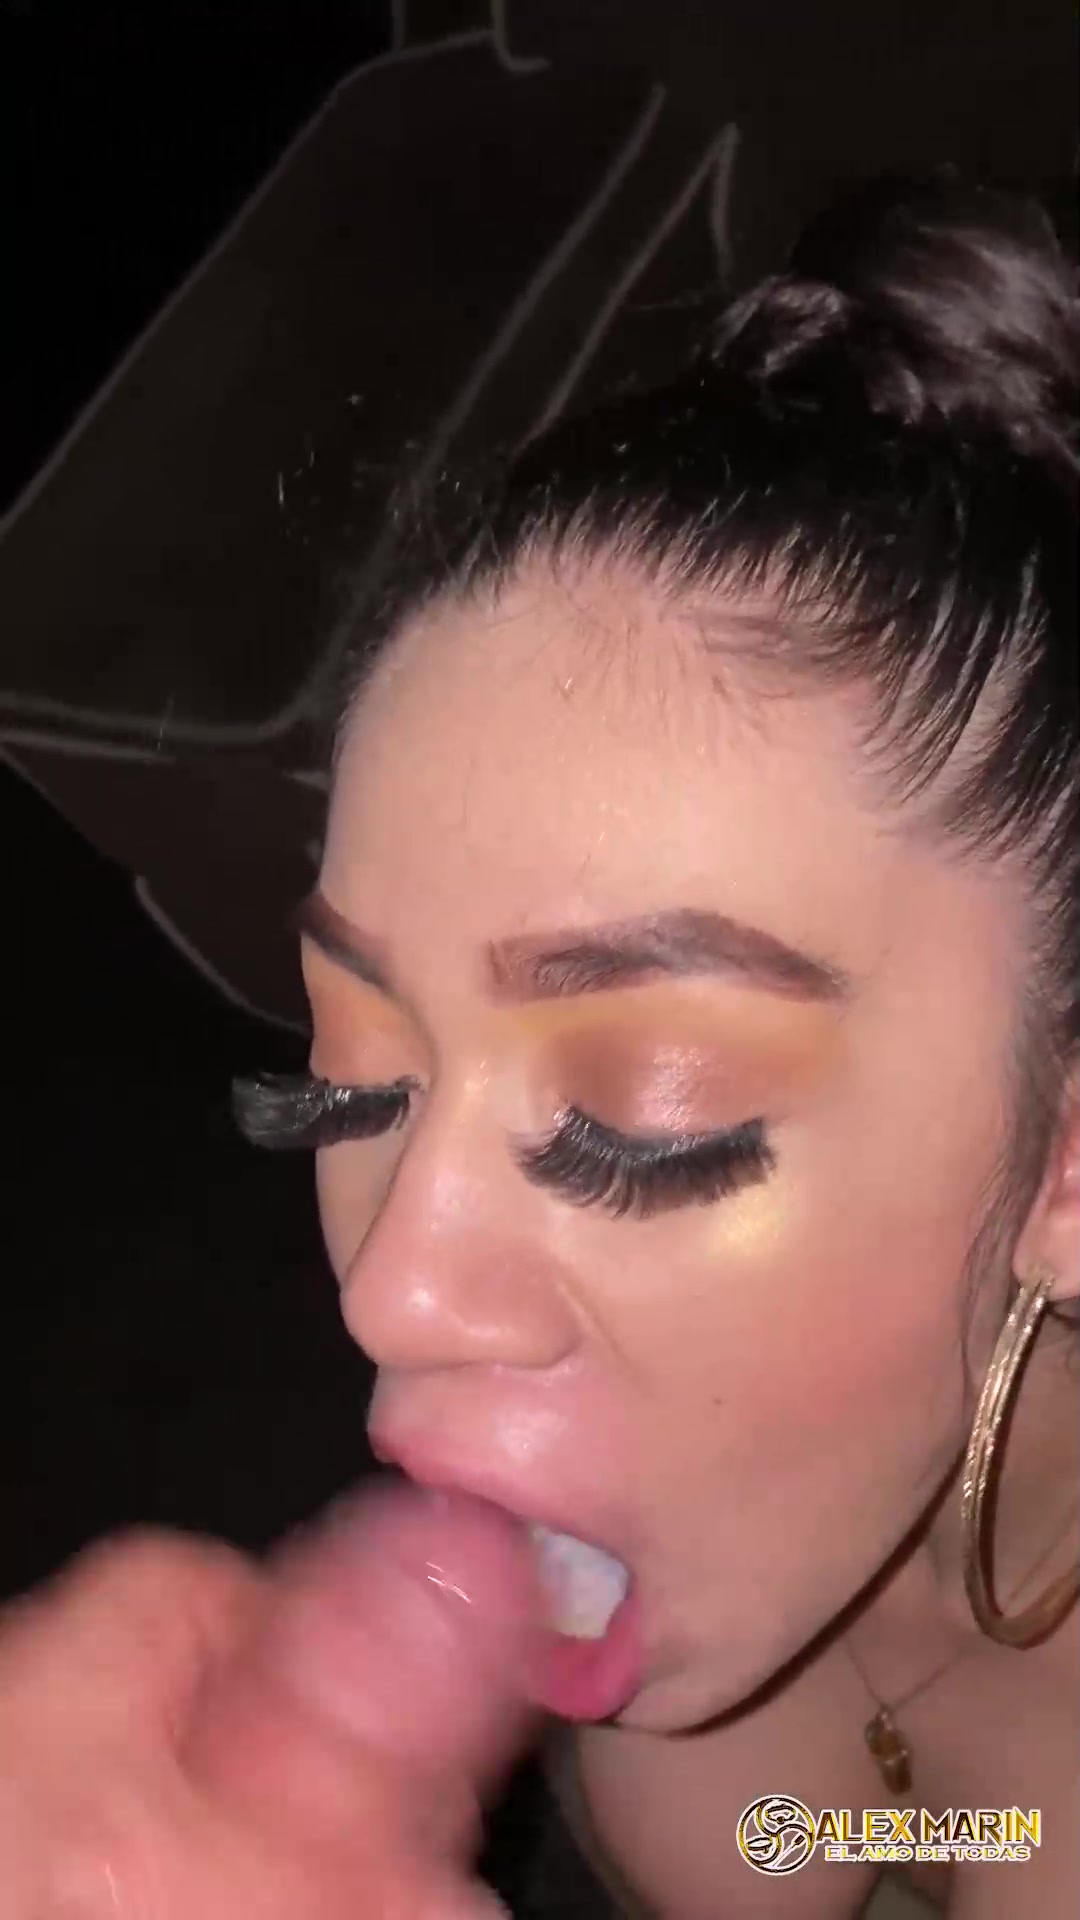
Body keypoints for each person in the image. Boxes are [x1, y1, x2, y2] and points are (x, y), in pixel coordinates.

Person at [5, 174, 1078, 1918]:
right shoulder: (680, 1567)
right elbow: (877, 1837)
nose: (391, 1294)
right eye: (353, 1080)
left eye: (639, 1123)